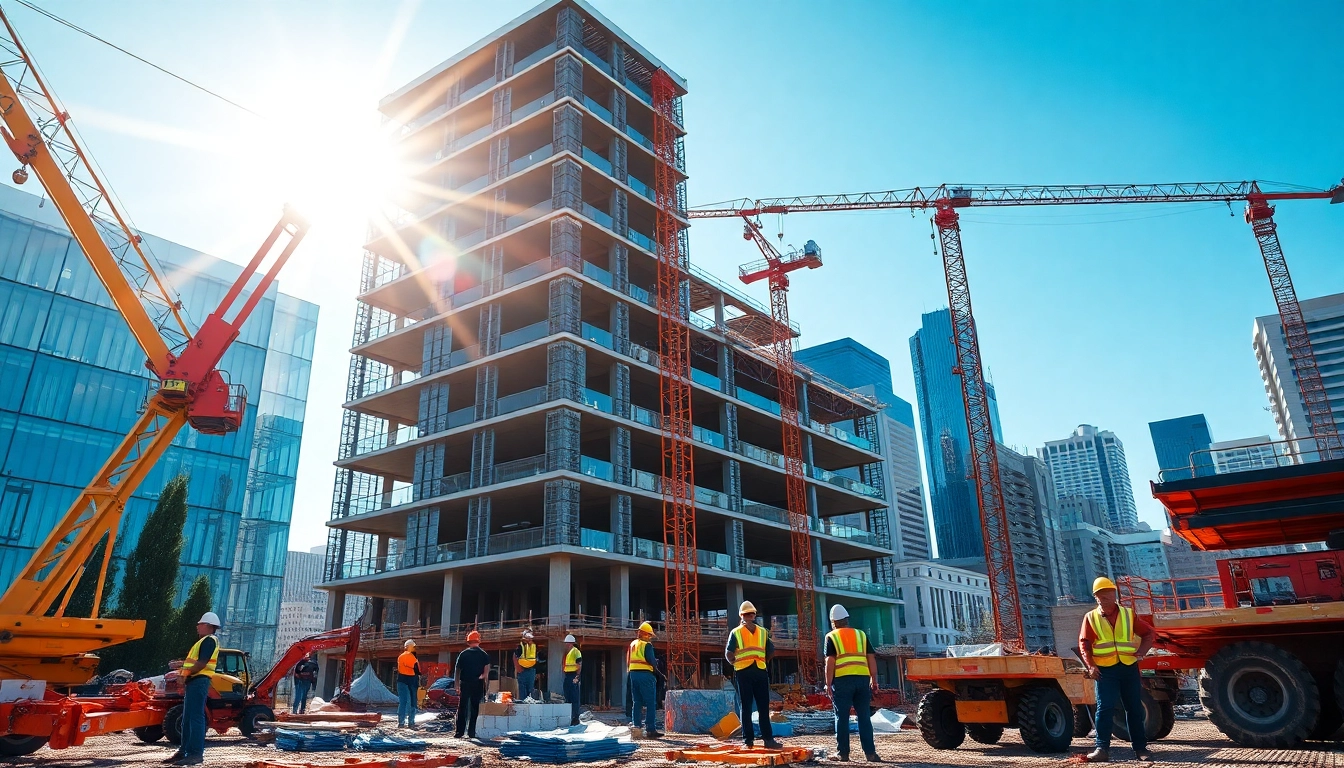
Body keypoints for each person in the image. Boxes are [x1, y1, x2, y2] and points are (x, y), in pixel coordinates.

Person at [1077, 577, 1157, 763]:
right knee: (1104, 708)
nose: (1102, 600)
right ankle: (1102, 749)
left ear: (1114, 595)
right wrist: (1091, 666)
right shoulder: (1091, 617)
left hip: (1128, 667)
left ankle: (1140, 749)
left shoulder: (1129, 614)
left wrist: (1141, 653)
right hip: (1105, 671)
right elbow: (1085, 644)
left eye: (1106, 596)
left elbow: (1148, 633)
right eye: (1099, 596)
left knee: (1134, 708)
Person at [824, 604, 880, 763]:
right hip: (862, 680)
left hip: (842, 681)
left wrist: (828, 684)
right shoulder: (861, 634)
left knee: (841, 717)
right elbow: (871, 658)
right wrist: (874, 679)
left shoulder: (831, 636)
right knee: (864, 717)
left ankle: (843, 754)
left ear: (833, 622)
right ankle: (870, 754)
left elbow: (830, 662)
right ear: (847, 619)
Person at [724, 601, 782, 749]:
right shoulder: (763, 632)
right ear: (754, 615)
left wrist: (735, 664)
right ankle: (768, 740)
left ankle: (748, 742)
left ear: (741, 615)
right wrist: (762, 661)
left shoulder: (736, 632)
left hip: (743, 672)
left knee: (746, 707)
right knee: (763, 707)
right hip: (760, 671)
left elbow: (729, 654)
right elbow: (771, 651)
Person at [165, 611, 221, 766]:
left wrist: (185, 674)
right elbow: (195, 662)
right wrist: (182, 667)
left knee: (195, 718)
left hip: (199, 681)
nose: (197, 626)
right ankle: (184, 752)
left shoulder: (209, 640)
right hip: (194, 681)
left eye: (200, 624)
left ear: (209, 626)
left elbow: (202, 663)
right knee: (187, 719)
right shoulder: (203, 641)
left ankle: (195, 754)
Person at [627, 622, 663, 739]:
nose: (650, 638)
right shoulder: (647, 645)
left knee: (636, 702)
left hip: (633, 674)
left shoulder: (632, 644)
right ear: (645, 634)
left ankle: (636, 727)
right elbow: (651, 661)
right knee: (650, 702)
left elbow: (628, 660)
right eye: (649, 635)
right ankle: (650, 729)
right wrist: (657, 664)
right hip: (645, 675)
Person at [454, 630, 492, 739]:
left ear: (468, 641)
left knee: (462, 708)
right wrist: (483, 676)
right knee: (474, 708)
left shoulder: (463, 654)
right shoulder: (483, 654)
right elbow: (487, 669)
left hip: (464, 683)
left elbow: (457, 669)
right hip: (477, 683)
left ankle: (459, 732)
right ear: (478, 641)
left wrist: (456, 685)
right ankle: (471, 733)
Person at [396, 639, 421, 729]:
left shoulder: (401, 656)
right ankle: (411, 723)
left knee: (403, 701)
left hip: (402, 680)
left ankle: (401, 723)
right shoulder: (411, 657)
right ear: (411, 647)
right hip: (411, 680)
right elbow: (417, 669)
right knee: (412, 702)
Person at [562, 634, 583, 725]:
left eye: (567, 643)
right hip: (567, 675)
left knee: (574, 697)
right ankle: (570, 716)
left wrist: (577, 677)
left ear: (570, 643)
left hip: (573, 675)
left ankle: (575, 717)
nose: (566, 644)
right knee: (568, 696)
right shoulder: (568, 652)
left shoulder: (576, 651)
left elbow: (579, 664)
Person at [515, 629, 539, 700]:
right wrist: (518, 668)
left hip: (531, 671)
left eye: (530, 639)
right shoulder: (521, 647)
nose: (529, 640)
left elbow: (534, 658)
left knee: (530, 691)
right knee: (523, 691)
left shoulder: (534, 646)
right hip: (523, 671)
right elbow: (515, 657)